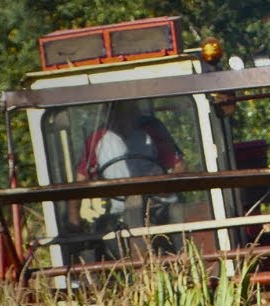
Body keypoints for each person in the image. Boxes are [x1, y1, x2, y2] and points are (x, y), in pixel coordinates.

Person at [67, 100, 186, 256]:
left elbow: (179, 166)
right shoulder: (97, 139)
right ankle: (111, 274)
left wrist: (165, 187)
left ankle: (186, 260)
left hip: (159, 204)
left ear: (135, 111)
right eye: (115, 111)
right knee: (100, 233)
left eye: (127, 110)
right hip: (119, 211)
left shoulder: (152, 129)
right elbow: (81, 181)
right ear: (107, 113)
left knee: (178, 214)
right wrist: (73, 217)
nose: (122, 116)